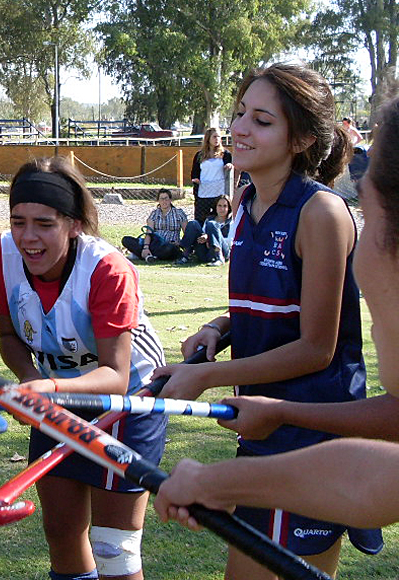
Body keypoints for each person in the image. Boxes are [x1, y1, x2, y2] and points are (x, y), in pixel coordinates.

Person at [150, 63, 383, 579]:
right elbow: (265, 310)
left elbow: (315, 348)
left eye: (261, 120)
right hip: (265, 428)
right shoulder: (249, 202)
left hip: (310, 434)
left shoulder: (320, 213)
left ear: (299, 138)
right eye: (238, 114)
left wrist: (208, 376)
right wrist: (219, 329)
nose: (239, 129)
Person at [0, 157, 168, 580]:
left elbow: (115, 375)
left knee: (112, 548)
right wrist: (31, 382)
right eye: (18, 221)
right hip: (54, 391)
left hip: (128, 399)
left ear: (75, 224)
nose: (29, 238)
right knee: (62, 532)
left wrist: (44, 387)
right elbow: (10, 338)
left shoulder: (107, 270)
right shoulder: (1, 255)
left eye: (45, 224)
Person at [121, 189, 187, 261]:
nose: (164, 201)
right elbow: (149, 232)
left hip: (169, 244)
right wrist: (146, 247)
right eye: (161, 199)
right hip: (154, 243)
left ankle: (144, 255)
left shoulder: (179, 213)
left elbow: (186, 233)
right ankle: (148, 254)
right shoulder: (154, 214)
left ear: (170, 200)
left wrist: (180, 244)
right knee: (126, 240)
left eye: (166, 199)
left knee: (169, 248)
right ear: (158, 201)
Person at [175, 195, 232, 266]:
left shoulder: (232, 222)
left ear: (229, 208)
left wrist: (211, 239)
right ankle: (185, 255)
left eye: (225, 206)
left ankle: (219, 258)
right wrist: (203, 238)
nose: (222, 209)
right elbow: (204, 233)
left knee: (212, 224)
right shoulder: (209, 219)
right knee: (193, 223)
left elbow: (231, 242)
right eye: (219, 206)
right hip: (206, 252)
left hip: (224, 252)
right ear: (216, 207)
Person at [191, 127, 233, 223]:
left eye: (218, 136)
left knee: (218, 218)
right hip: (204, 191)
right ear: (208, 138)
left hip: (219, 191)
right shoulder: (200, 155)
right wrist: (195, 179)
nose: (217, 139)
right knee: (201, 219)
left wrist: (229, 165)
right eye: (214, 137)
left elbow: (229, 164)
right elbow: (194, 172)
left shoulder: (225, 154)